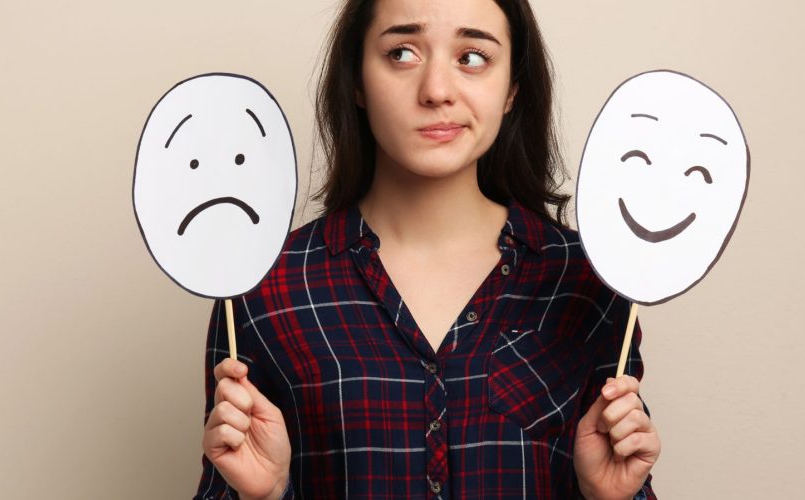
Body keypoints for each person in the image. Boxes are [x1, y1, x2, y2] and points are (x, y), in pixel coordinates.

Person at [194, 0, 660, 498]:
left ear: (512, 89)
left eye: (473, 57)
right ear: (356, 81)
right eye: (401, 53)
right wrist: (264, 496)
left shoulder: (591, 282)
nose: (437, 91)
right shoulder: (265, 285)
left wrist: (613, 497)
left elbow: (621, 476)